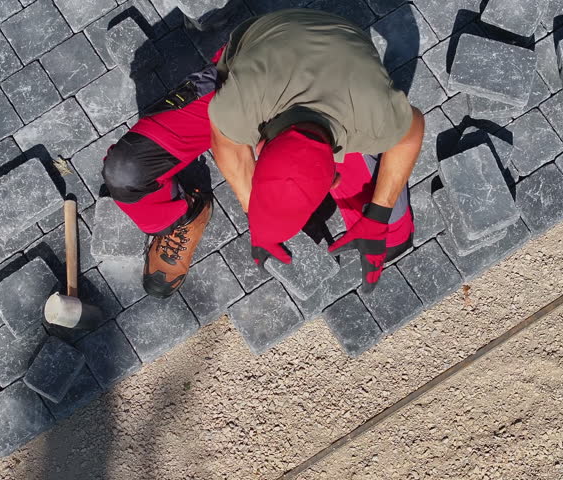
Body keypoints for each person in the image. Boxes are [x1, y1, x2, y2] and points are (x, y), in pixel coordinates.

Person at [102, 8, 425, 299]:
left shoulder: (374, 117)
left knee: (392, 238)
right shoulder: (233, 107)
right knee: (126, 174)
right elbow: (228, 148)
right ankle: (184, 214)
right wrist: (257, 216)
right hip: (259, 57)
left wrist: (379, 214)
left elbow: (412, 131)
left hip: (338, 64)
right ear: (256, 147)